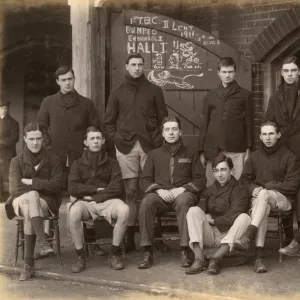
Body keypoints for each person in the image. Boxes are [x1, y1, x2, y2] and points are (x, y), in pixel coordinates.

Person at [37, 65, 104, 256]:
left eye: (70, 79)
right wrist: (49, 149)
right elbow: (41, 128)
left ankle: (91, 242)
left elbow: (94, 129)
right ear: (57, 82)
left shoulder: (86, 104)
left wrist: (86, 149)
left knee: (85, 197)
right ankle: (47, 242)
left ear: (74, 79)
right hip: (55, 159)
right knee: (51, 195)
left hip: (81, 159)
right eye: (63, 80)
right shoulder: (48, 102)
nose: (67, 82)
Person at [104, 53, 168, 252]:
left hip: (150, 145)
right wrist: (116, 138)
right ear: (126, 66)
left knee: (153, 189)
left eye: (140, 65)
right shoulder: (117, 92)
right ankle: (130, 236)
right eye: (133, 65)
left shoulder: (154, 90)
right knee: (131, 191)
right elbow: (108, 123)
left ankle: (155, 236)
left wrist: (157, 140)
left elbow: (163, 119)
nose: (137, 68)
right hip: (125, 146)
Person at [138, 116, 206, 269]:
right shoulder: (154, 154)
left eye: (174, 129)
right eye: (167, 129)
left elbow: (200, 180)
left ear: (180, 132)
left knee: (183, 202)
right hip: (159, 195)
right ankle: (147, 251)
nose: (171, 133)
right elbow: (144, 180)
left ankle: (185, 250)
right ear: (162, 133)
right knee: (146, 203)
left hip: (183, 193)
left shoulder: (191, 152)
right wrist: (159, 190)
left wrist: (183, 189)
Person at [235, 121, 300, 273]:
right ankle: (259, 259)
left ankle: (249, 235)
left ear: (278, 135)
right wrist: (253, 188)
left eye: (271, 134)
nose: (268, 137)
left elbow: (293, 186)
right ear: (260, 137)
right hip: (261, 200)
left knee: (263, 195)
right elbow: (244, 180)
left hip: (283, 200)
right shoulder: (255, 156)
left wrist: (270, 186)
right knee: (262, 205)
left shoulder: (289, 156)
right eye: (264, 134)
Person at [68, 126, 129, 273]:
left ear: (103, 141)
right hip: (86, 203)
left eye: (98, 138)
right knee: (73, 212)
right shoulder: (77, 164)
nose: (95, 141)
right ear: (85, 142)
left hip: (108, 201)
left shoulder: (112, 163)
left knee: (124, 210)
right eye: (92, 138)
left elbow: (117, 187)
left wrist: (97, 196)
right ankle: (80, 256)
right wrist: (94, 190)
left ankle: (114, 254)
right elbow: (72, 187)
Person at [7, 122, 63, 281]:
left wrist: (32, 183)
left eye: (38, 138)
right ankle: (43, 242)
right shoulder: (16, 161)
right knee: (31, 197)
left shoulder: (53, 159)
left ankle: (28, 265)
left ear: (43, 138)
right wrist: (40, 188)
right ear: (24, 139)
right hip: (20, 200)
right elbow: (14, 189)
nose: (35, 142)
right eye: (31, 139)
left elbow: (58, 185)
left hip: (46, 203)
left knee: (31, 206)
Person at [186, 154, 250, 275]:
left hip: (228, 234)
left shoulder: (239, 189)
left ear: (232, 170)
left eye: (223, 170)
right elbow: (201, 208)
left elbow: (233, 215)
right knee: (193, 211)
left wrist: (213, 221)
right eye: (216, 171)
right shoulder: (210, 189)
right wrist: (205, 217)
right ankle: (199, 259)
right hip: (210, 234)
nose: (219, 174)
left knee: (244, 218)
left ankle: (216, 259)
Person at [199, 57, 253, 186]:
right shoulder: (211, 95)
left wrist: (249, 149)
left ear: (235, 72)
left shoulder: (245, 95)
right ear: (218, 73)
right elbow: (204, 124)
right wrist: (201, 150)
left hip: (236, 148)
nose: (227, 75)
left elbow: (249, 123)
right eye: (224, 72)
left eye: (230, 72)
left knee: (236, 183)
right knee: (212, 185)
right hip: (213, 148)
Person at [265, 56, 300, 231]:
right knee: (284, 191)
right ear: (281, 73)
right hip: (283, 153)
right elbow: (269, 122)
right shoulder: (275, 97)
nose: (289, 74)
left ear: (299, 72)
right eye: (286, 71)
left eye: (293, 70)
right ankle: (287, 235)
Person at [0, 98, 19, 202]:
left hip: (7, 154)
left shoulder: (13, 123)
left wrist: (1, 143)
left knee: (7, 175)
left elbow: (15, 138)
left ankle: (8, 197)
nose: (3, 110)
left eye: (5, 108)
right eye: (1, 108)